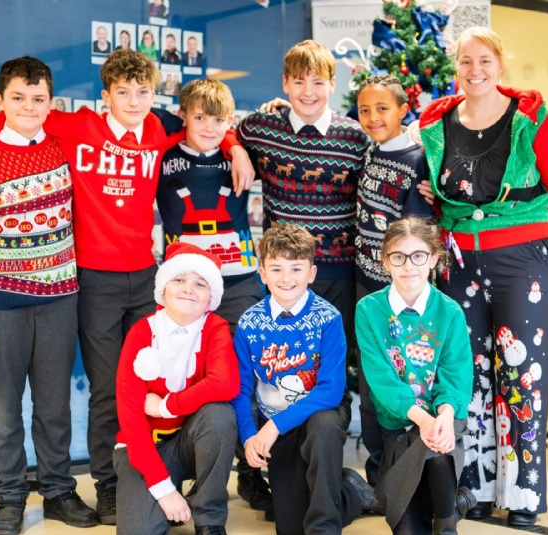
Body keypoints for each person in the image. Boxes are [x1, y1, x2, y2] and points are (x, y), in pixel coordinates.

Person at [0, 48, 254, 526]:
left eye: (143, 92)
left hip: (146, 280)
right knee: (106, 389)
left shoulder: (158, 128)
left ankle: (155, 474)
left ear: (153, 95)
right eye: (123, 92)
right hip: (90, 282)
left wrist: (235, 146)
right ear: (105, 95)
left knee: (153, 380)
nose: (133, 101)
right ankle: (105, 486)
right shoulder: (76, 128)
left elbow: (205, 124)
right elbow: (21, 116)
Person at [417, 27, 548, 527]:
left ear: (500, 65)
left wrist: (533, 240)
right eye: (466, 61)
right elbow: (441, 197)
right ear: (456, 68)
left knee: (522, 373)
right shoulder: (438, 123)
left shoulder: (530, 118)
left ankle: (524, 494)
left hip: (521, 260)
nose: (475, 70)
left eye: (484, 60)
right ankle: (478, 487)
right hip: (460, 260)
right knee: (468, 375)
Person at [0, 56, 98, 535]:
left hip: (59, 300)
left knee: (55, 406)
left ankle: (57, 492)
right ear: (0, 100)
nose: (28, 107)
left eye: (38, 99)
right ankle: (10, 496)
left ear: (51, 102)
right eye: (17, 98)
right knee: (2, 409)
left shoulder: (62, 146)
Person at [156, 78, 270, 518]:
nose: (208, 127)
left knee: (246, 376)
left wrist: (235, 145)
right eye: (199, 117)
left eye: (218, 120)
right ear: (183, 116)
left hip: (239, 281)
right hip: (184, 287)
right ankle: (183, 474)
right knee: (185, 376)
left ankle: (251, 470)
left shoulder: (239, 152)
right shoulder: (163, 153)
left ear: (229, 121)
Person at [232, 223, 381, 535]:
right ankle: (351, 492)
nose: (286, 278)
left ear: (312, 273)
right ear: (262, 273)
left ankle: (325, 528)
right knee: (290, 524)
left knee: (323, 427)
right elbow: (241, 390)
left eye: (296, 268)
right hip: (276, 418)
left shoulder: (328, 318)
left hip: (322, 410)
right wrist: (249, 437)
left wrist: (273, 427)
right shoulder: (249, 323)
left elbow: (330, 391)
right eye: (276, 269)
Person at [236, 39, 371, 372]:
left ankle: (334, 410)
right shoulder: (261, 128)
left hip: (338, 270)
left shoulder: (354, 137)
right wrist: (236, 150)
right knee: (282, 363)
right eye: (299, 82)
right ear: (285, 83)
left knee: (332, 365)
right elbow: (223, 134)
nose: (308, 92)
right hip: (283, 271)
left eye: (318, 82)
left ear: (333, 84)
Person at [355, 217, 474, 534]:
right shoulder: (368, 310)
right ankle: (452, 504)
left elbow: (456, 376)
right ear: (385, 261)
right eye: (398, 257)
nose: (409, 266)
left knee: (437, 451)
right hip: (400, 422)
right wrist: (422, 419)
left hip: (442, 420)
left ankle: (446, 525)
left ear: (433, 259)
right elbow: (381, 380)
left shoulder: (450, 311)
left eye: (418, 256)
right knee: (408, 529)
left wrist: (443, 415)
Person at [114, 241, 239, 534]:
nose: (188, 290)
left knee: (219, 415)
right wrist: (163, 489)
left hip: (189, 445)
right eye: (179, 280)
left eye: (200, 284)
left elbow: (225, 384)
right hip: (143, 448)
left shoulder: (215, 327)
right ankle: (166, 494)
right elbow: (131, 420)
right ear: (163, 289)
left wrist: (165, 406)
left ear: (210, 297)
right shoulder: (141, 331)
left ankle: (209, 520)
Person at [353, 73, 435, 486]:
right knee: (372, 383)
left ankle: (409, 472)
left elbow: (417, 235)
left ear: (404, 110)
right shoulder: (369, 152)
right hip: (365, 285)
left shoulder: (418, 160)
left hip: (399, 292)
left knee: (407, 378)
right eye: (364, 110)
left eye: (382, 109)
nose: (373, 117)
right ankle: (378, 475)